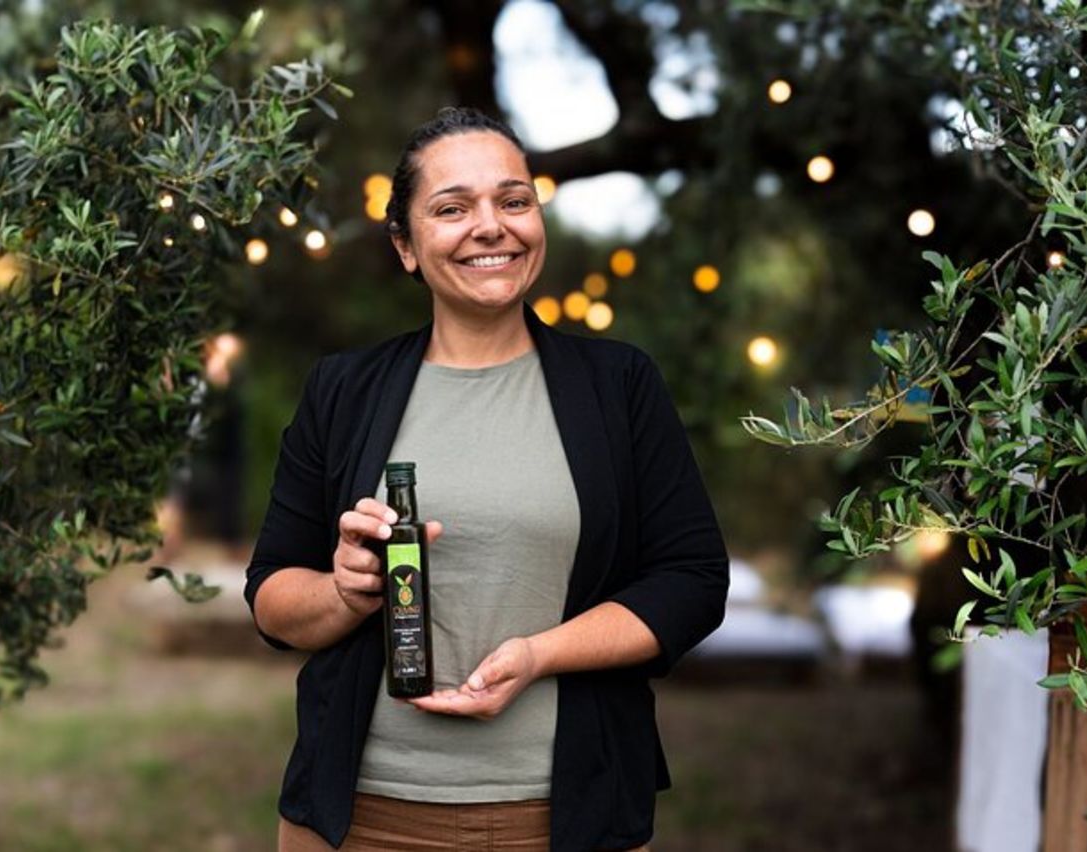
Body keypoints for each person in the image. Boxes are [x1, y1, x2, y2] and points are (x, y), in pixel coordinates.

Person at [245, 106, 729, 851]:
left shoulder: (618, 385)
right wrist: (343, 592)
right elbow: (274, 597)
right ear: (406, 247)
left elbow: (692, 580)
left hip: (563, 816)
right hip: (356, 818)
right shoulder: (343, 391)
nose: (491, 225)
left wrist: (540, 655)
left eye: (514, 200)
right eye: (452, 208)